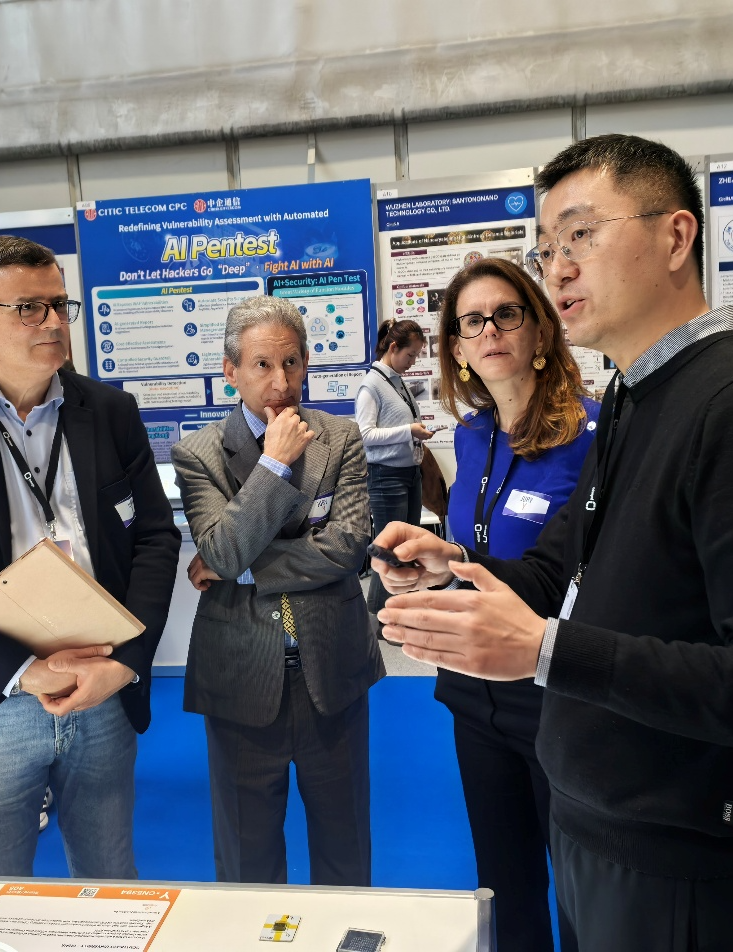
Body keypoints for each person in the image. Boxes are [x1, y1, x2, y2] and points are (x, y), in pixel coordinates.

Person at [373, 134, 733, 951]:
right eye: (547, 247)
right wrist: (457, 567)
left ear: (675, 236)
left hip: (694, 861)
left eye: (582, 236)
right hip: (597, 821)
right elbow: (560, 567)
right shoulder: (636, 395)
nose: (557, 268)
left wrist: (545, 651)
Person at [0, 235, 181, 877]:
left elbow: (156, 538)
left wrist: (126, 664)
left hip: (99, 686)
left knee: (109, 884)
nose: (52, 322)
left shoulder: (111, 412)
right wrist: (22, 671)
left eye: (59, 305)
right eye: (28, 308)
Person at [171, 295, 384, 886]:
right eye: (262, 365)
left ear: (306, 362)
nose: (281, 382)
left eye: (291, 362)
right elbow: (221, 550)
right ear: (231, 370)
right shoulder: (198, 454)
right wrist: (274, 465)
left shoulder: (341, 437)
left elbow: (347, 547)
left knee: (345, 851)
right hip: (240, 674)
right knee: (247, 860)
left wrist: (244, 572)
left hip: (331, 669)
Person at [436, 257, 599, 952]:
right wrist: (431, 570)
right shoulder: (470, 435)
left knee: (584, 887)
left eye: (506, 314)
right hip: (473, 692)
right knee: (504, 883)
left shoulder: (592, 435)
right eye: (471, 322)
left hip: (558, 689)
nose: (490, 331)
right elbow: (476, 553)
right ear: (457, 349)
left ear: (539, 330)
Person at [355, 318, 433, 613]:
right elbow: (365, 436)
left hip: (409, 474)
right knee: (387, 551)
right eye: (410, 355)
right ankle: (378, 616)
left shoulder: (396, 382)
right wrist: (409, 431)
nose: (412, 362)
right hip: (386, 477)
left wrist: (414, 432)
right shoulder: (372, 385)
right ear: (393, 347)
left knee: (407, 546)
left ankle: (398, 611)